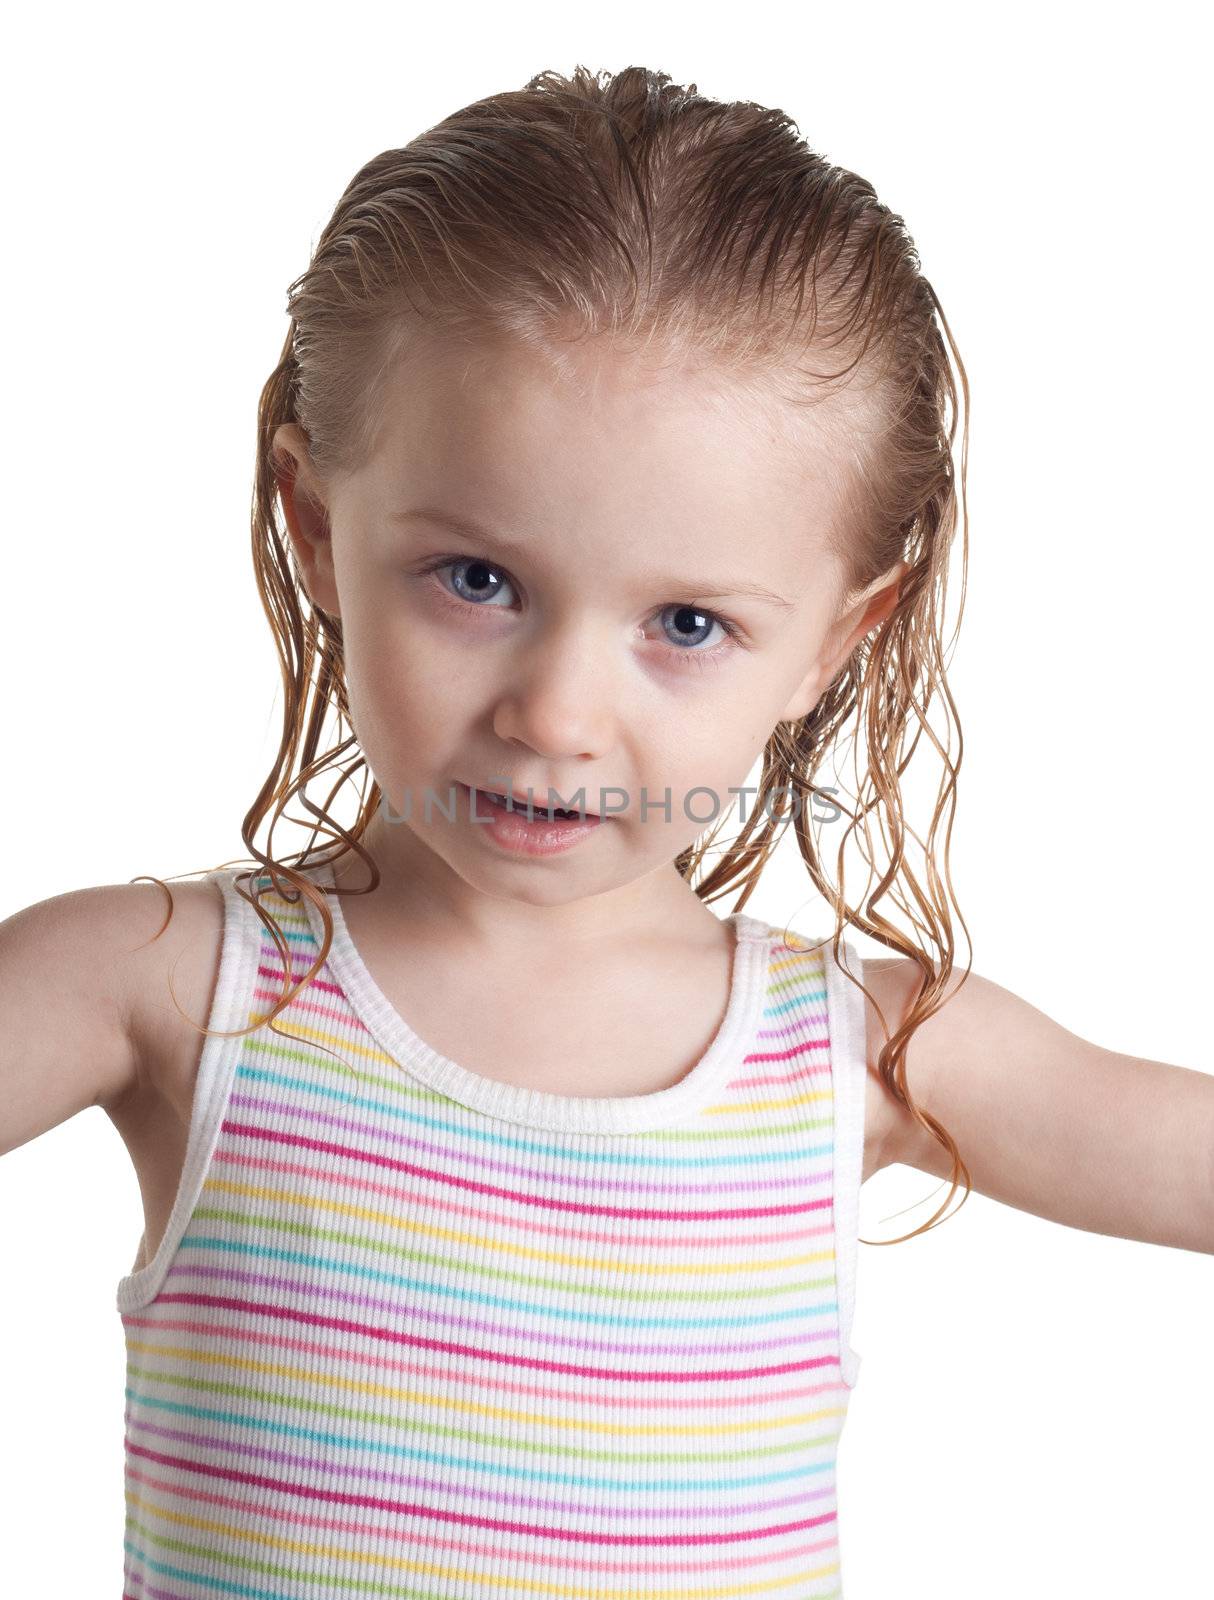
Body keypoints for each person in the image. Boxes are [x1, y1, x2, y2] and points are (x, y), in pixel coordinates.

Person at [2, 64, 1211, 1600]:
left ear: (836, 640)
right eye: (476, 580)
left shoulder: (854, 1051)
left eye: (687, 621)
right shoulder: (169, 986)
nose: (557, 715)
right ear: (318, 529)